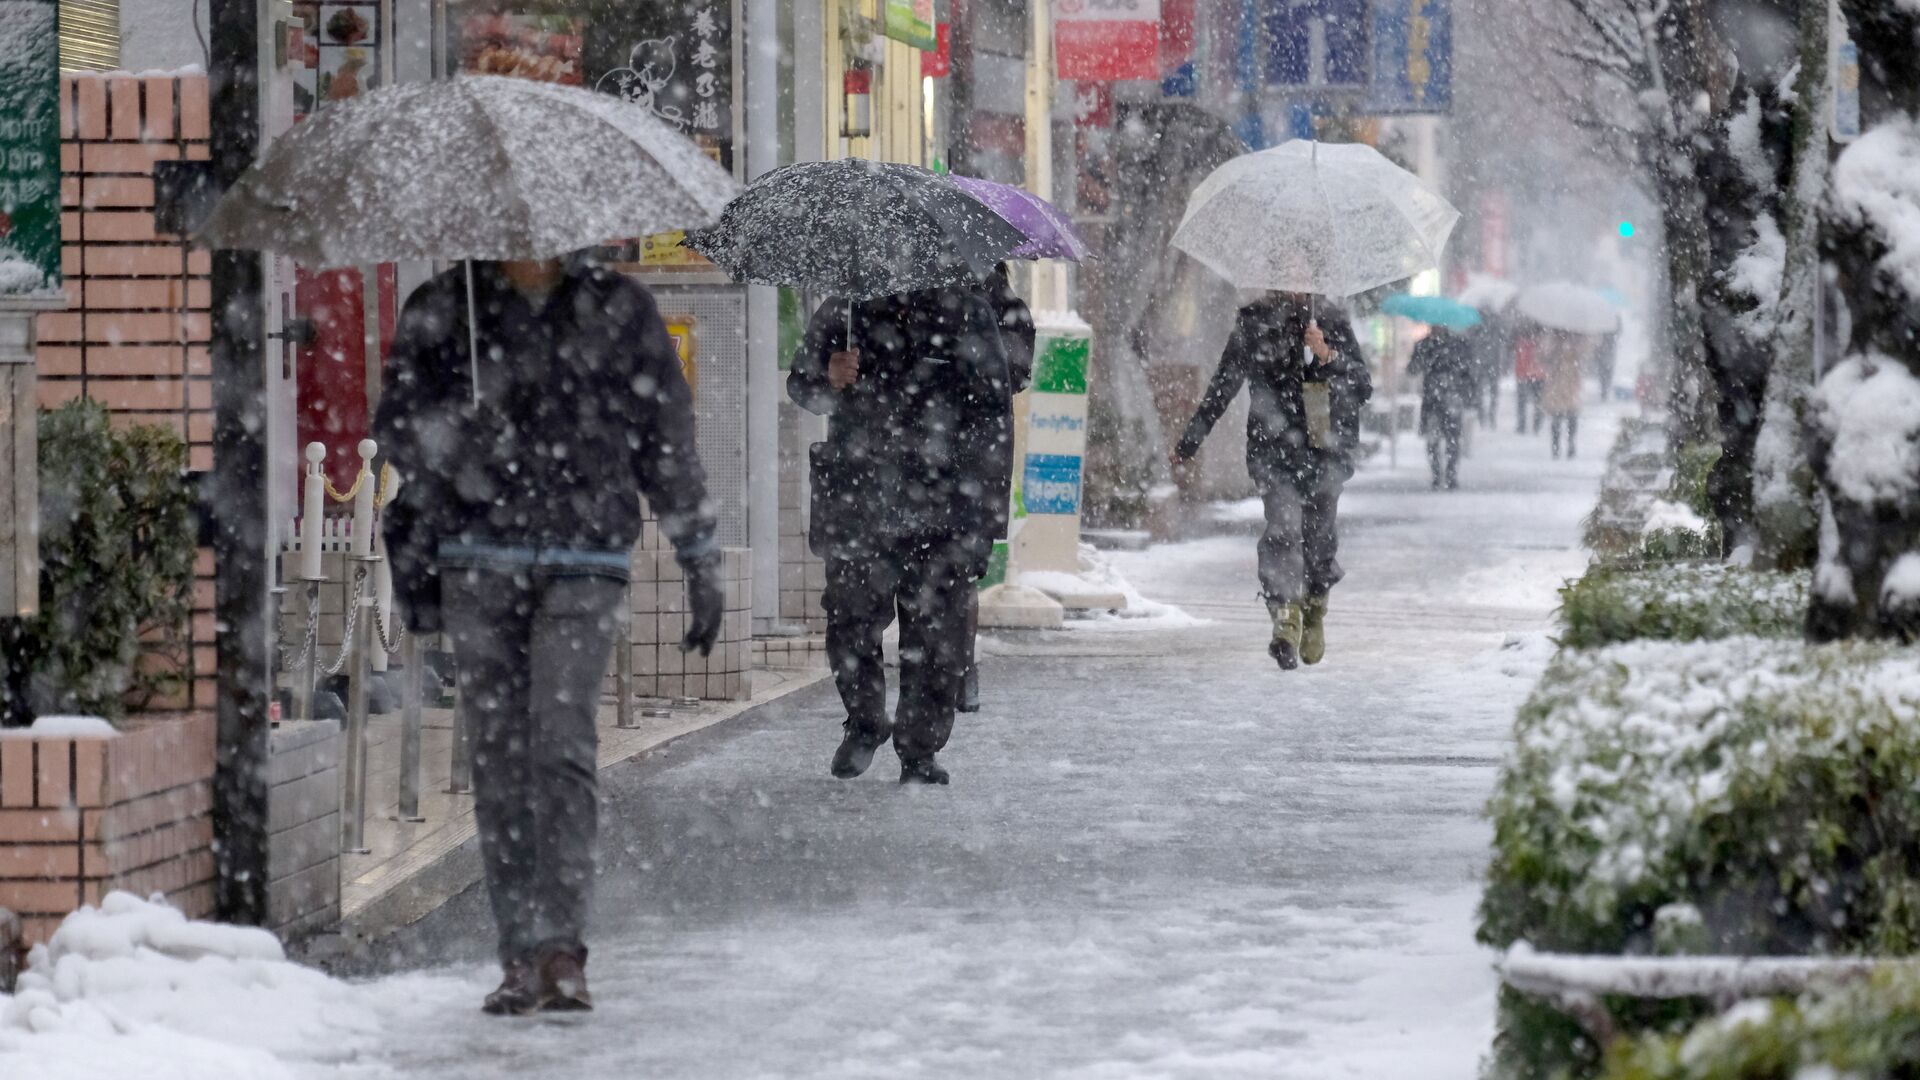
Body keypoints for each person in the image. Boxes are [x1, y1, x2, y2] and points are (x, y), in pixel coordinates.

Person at [374, 255, 721, 1016]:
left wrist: (699, 553)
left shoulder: (620, 307)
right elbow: (393, 425)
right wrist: (451, 438)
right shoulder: (448, 305)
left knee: (560, 746)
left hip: (584, 557)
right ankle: (519, 956)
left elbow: (665, 434)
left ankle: (562, 946)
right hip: (476, 557)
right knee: (498, 760)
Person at [789, 283, 1014, 785]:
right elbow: (801, 384)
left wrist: (985, 525)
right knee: (849, 621)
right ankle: (865, 722)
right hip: (858, 501)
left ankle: (920, 751)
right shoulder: (847, 309)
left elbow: (994, 422)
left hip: (945, 507)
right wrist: (827, 377)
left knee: (937, 640)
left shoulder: (968, 316)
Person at [1170, 293, 1372, 670]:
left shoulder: (1331, 318)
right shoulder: (1254, 322)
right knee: (1281, 528)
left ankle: (1314, 607)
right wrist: (1191, 439)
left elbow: (1362, 386)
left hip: (1325, 451)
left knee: (1319, 538)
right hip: (1273, 450)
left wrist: (1327, 355)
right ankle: (1285, 616)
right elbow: (1224, 383)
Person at [958, 263, 1035, 714]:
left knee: (959, 571)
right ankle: (960, 671)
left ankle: (960, 670)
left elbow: (1014, 376)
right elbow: (1017, 377)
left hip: (973, 457)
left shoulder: (1001, 308)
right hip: (978, 456)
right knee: (960, 572)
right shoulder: (1007, 307)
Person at [1406, 325, 1476, 490]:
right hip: (1444, 399)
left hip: (1441, 399)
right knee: (1441, 440)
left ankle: (1445, 475)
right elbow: (1413, 368)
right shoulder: (1456, 344)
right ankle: (1442, 475)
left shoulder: (1430, 345)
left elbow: (1413, 369)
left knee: (1445, 440)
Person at [1541, 329, 1588, 459]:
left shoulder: (1575, 343)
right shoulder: (1554, 343)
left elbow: (1584, 356)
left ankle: (1568, 444)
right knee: (1560, 417)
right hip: (1560, 385)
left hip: (1568, 384)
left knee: (1569, 417)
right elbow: (1543, 359)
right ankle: (1558, 446)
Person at [1514, 331, 1546, 434]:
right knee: (1538, 401)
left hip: (1524, 374)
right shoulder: (1542, 341)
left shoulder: (1521, 340)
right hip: (1537, 374)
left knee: (1523, 402)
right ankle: (1536, 425)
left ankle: (1522, 425)